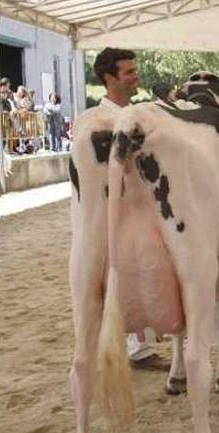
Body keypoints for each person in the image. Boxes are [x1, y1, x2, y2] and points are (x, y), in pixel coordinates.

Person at [92, 47, 167, 370]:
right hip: (113, 210)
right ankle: (130, 348)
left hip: (142, 207)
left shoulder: (137, 113)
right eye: (129, 72)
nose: (136, 76)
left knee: (143, 273)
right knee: (117, 276)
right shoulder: (98, 120)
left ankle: (142, 345)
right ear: (110, 78)